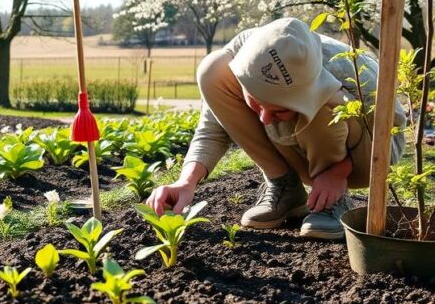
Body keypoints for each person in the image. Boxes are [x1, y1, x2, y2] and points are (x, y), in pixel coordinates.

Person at [147, 17, 405, 240]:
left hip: (366, 156)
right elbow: (213, 129)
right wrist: (186, 182)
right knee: (212, 71)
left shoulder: (354, 74)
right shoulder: (244, 54)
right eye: (256, 104)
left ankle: (331, 199)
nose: (265, 120)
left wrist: (339, 171)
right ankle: (285, 187)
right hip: (298, 147)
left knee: (329, 100)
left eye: (278, 110)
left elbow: (389, 146)